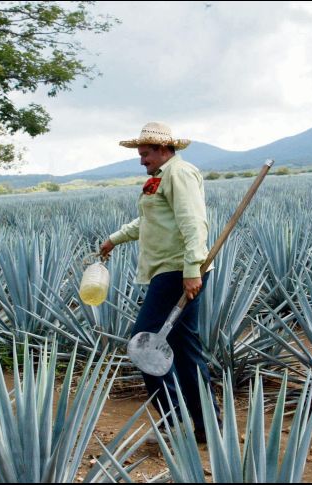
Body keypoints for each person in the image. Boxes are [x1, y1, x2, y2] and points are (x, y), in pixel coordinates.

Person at [99, 121, 220, 444]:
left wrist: (192, 270)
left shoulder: (179, 174)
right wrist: (114, 239)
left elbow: (194, 223)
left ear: (164, 149)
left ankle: (174, 420)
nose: (142, 161)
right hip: (171, 270)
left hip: (177, 271)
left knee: (144, 343)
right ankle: (208, 425)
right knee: (184, 349)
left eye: (146, 154)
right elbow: (149, 220)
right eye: (140, 154)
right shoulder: (161, 177)